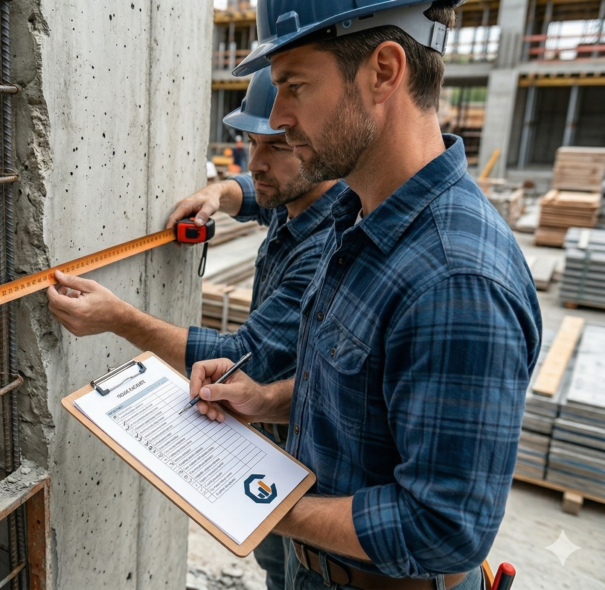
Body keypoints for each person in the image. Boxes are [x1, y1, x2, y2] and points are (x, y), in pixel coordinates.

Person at [191, 2, 541, 590]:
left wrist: (258, 502)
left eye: (294, 86)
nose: (278, 118)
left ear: (383, 71)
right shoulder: (359, 216)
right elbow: (362, 390)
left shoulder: (456, 280)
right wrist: (264, 399)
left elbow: (442, 528)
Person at [46, 70, 344, 590]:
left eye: (276, 146)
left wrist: (121, 319)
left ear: (317, 144)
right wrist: (220, 193)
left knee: (292, 567)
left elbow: (243, 356)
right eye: (252, 142)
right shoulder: (297, 199)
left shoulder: (327, 246)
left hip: (305, 460)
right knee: (276, 566)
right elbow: (258, 191)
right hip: (272, 433)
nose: (256, 162)